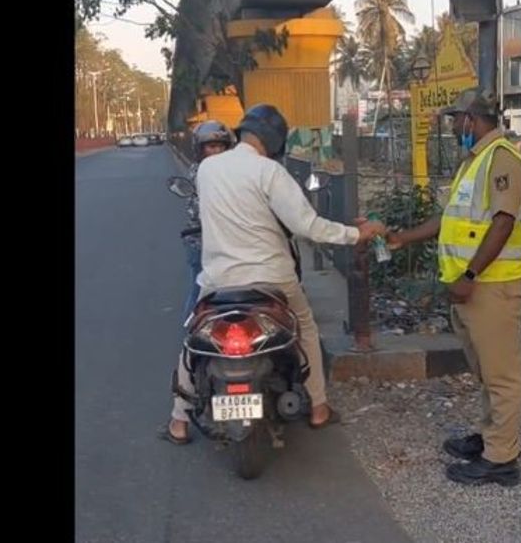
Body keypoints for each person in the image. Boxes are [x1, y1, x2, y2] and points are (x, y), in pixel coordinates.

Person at [161, 104, 386, 444]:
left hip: (219, 281)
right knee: (304, 328)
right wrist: (357, 234)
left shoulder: (208, 170)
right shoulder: (270, 172)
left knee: (194, 341)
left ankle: (178, 421)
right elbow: (306, 226)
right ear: (275, 139)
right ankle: (319, 408)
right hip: (272, 281)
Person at [387, 88, 521, 486]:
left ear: (471, 119)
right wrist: (403, 237)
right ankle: (490, 438)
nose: (450, 127)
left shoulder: (503, 160)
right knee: (485, 371)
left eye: (454, 119)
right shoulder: (474, 162)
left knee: (502, 374)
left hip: (492, 287)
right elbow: (448, 218)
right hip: (472, 288)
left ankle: (502, 460)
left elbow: (503, 222)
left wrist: (469, 276)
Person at [181, 120, 234, 321]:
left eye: (221, 146)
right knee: (200, 291)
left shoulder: (230, 172)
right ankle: (190, 335)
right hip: (200, 240)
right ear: (200, 149)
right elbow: (200, 209)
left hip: (226, 239)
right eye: (212, 147)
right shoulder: (199, 172)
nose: (217, 151)